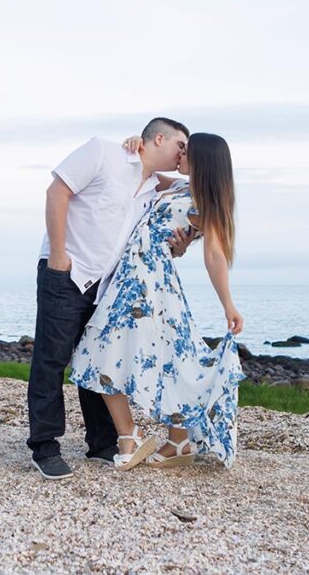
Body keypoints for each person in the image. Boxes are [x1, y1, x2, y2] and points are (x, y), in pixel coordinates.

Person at [27, 117, 192, 480]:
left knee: (93, 361)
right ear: (159, 137)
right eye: (180, 145)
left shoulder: (154, 188)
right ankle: (45, 446)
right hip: (67, 271)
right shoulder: (103, 152)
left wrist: (178, 250)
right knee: (50, 361)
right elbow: (57, 191)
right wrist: (57, 255)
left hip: (107, 287)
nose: (183, 153)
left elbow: (195, 187)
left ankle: (102, 442)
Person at [69, 133, 245, 471]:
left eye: (186, 151)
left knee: (100, 350)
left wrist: (228, 304)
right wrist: (139, 144)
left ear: (203, 160)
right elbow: (146, 171)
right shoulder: (179, 187)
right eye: (180, 147)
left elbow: (215, 255)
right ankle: (175, 439)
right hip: (133, 278)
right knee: (166, 358)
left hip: (149, 284)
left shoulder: (206, 204)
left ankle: (132, 436)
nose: (180, 154)